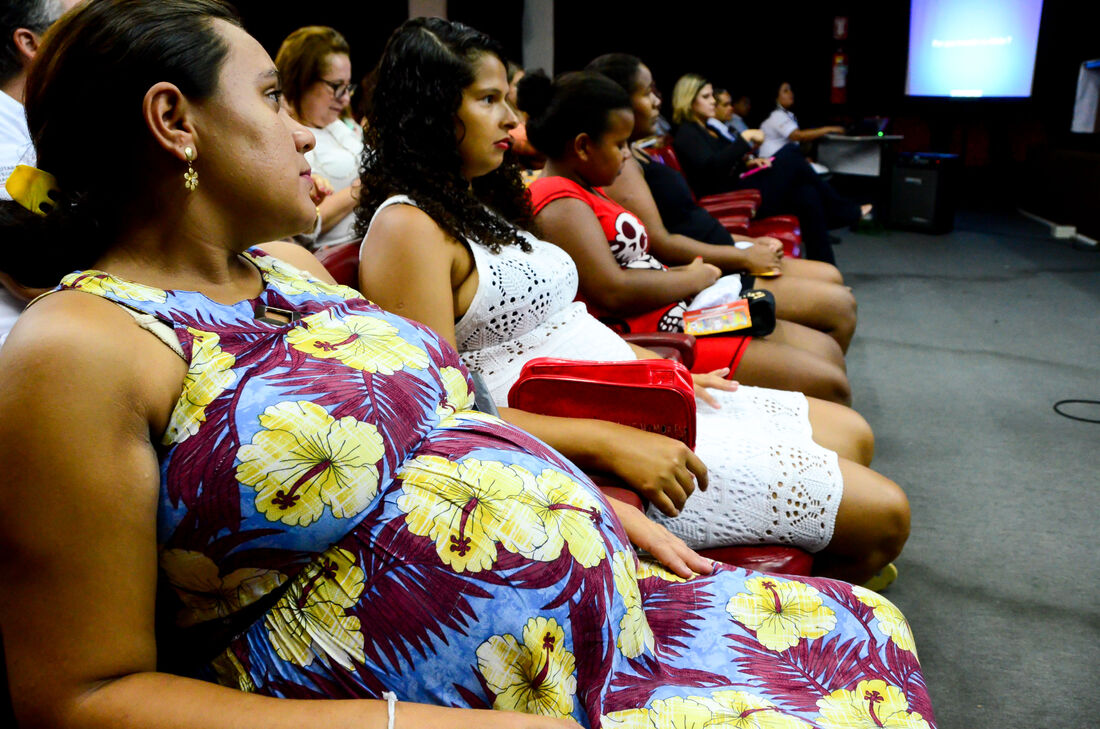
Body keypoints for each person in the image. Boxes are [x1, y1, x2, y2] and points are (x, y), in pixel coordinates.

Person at [0, 4, 935, 727]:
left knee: (869, 629)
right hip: (444, 707)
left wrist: (595, 505)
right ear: (174, 120)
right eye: (274, 98)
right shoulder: (79, 347)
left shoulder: (283, 267)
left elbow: (448, 417)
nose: (306, 132)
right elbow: (80, 695)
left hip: (605, 639)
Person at [358, 19, 913, 582]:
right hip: (573, 436)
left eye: (507, 99)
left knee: (853, 434)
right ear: (429, 111)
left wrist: (660, 370)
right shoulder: (407, 227)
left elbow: (567, 323)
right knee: (886, 514)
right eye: (488, 100)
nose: (511, 119)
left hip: (627, 392)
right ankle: (772, 602)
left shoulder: (480, 197)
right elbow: (443, 414)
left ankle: (806, 581)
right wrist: (611, 443)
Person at [521, 72, 853, 404]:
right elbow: (613, 290)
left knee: (827, 352)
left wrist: (688, 274)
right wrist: (695, 277)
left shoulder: (584, 188)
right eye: (619, 145)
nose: (626, 154)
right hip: (659, 338)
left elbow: (631, 268)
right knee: (831, 381)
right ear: (582, 146)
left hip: (680, 311)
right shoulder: (558, 198)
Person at [588, 53, 859, 353]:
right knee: (840, 308)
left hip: (720, 253)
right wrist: (742, 257)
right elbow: (662, 243)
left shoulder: (635, 154)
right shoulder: (624, 165)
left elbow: (691, 219)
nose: (656, 101)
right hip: (714, 269)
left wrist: (747, 243)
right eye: (647, 92)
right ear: (618, 101)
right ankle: (844, 214)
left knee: (827, 264)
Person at [670, 74, 867, 265]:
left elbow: (725, 162)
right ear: (689, 101)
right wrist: (745, 139)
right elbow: (711, 170)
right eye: (706, 97)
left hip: (738, 187)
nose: (713, 101)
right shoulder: (687, 132)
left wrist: (749, 163)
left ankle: (825, 267)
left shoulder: (708, 129)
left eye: (712, 96)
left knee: (807, 195)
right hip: (728, 199)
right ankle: (842, 211)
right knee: (790, 154)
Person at [0, 0, 80, 343]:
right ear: (31, 44)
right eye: (81, 24)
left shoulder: (46, 126)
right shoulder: (7, 147)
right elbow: (35, 273)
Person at [275, 25, 363, 250]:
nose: (345, 99)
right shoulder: (287, 138)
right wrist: (365, 187)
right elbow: (302, 229)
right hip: (339, 256)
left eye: (348, 87)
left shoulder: (342, 124)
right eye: (336, 86)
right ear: (302, 80)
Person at [758, 80, 845, 159]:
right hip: (773, 162)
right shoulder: (777, 115)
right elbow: (798, 136)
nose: (790, 93)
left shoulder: (787, 115)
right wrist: (828, 129)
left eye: (790, 90)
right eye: (785, 91)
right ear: (776, 97)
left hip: (783, 159)